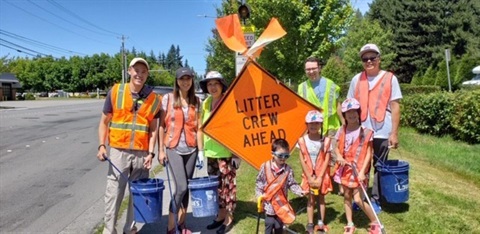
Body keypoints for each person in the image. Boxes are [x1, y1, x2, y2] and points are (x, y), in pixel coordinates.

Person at [96, 57, 161, 234]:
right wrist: (102, 145)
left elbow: (153, 130)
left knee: (137, 195)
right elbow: (104, 122)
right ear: (130, 71)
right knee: (114, 194)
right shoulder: (116, 91)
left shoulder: (154, 99)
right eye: (136, 70)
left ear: (147, 74)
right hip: (118, 151)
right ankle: (109, 230)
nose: (139, 74)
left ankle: (130, 229)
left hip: (141, 153)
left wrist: (151, 154)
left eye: (143, 71)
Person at [347, 43, 403, 211]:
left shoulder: (390, 78)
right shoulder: (357, 79)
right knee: (361, 165)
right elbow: (349, 105)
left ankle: (376, 199)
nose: (369, 61)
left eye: (372, 58)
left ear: (379, 59)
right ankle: (360, 197)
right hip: (361, 131)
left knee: (380, 166)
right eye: (365, 59)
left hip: (382, 131)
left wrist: (394, 133)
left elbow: (395, 107)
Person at [158, 67, 203, 234]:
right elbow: (161, 126)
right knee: (181, 186)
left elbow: (198, 128)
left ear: (192, 80)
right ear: (177, 81)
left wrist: (201, 151)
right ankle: (171, 227)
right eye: (182, 79)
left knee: (187, 188)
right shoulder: (168, 99)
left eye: (188, 78)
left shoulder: (197, 101)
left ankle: (182, 224)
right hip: (173, 148)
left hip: (191, 149)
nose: (185, 82)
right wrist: (161, 150)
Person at [199, 71, 240, 234]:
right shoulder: (206, 103)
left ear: (222, 85)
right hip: (211, 153)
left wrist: (236, 153)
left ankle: (229, 217)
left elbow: (236, 127)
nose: (213, 87)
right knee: (216, 188)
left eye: (216, 83)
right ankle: (220, 215)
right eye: (209, 84)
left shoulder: (228, 102)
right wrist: (201, 151)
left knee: (228, 187)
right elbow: (202, 127)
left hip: (226, 153)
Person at [334, 98, 381, 234]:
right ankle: (349, 223)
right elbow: (336, 147)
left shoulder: (366, 132)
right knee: (346, 196)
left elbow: (368, 153)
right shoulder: (341, 130)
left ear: (358, 113)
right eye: (348, 112)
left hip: (359, 171)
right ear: (344, 115)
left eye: (354, 112)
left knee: (358, 198)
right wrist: (339, 156)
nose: (352, 115)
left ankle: (374, 221)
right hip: (345, 169)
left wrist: (362, 172)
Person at [255, 138, 305, 234]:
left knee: (279, 227)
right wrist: (259, 195)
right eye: (280, 155)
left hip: (281, 205)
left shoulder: (288, 170)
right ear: (272, 154)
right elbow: (259, 182)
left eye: (286, 156)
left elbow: (292, 183)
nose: (283, 158)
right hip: (269, 205)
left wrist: (299, 191)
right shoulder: (265, 167)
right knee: (269, 224)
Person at [297, 110, 332, 233]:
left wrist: (320, 177)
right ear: (306, 124)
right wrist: (309, 177)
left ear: (321, 125)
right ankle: (310, 223)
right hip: (309, 175)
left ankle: (321, 222)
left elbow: (327, 158)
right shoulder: (302, 140)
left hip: (321, 175)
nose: (313, 126)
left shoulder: (326, 141)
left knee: (321, 198)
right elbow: (301, 158)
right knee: (311, 199)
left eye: (317, 123)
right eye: (311, 123)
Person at [298, 56, 344, 137]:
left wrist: (344, 123)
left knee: (333, 150)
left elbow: (338, 106)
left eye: (313, 68)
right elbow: (301, 111)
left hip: (331, 128)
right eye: (308, 69)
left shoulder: (330, 84)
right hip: (313, 128)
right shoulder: (302, 87)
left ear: (319, 68)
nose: (311, 71)